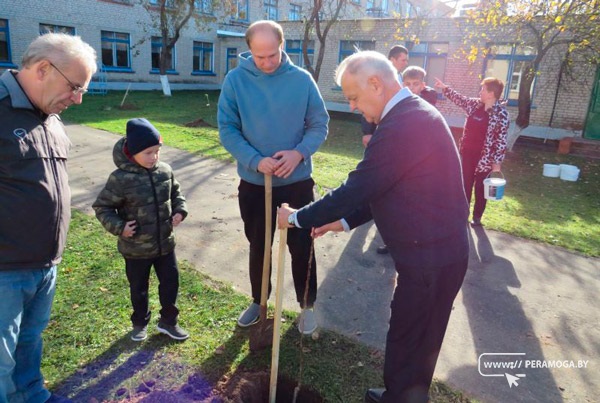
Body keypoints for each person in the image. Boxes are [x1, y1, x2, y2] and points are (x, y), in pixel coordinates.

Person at [277, 51, 469, 403]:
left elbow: (359, 186)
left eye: (353, 97)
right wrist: (345, 222)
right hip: (437, 254)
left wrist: (295, 218)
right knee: (417, 340)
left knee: (409, 340)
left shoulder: (405, 124)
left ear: (376, 84)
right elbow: (386, 186)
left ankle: (401, 397)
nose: (352, 106)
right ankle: (403, 393)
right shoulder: (412, 115)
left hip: (430, 259)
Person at [0, 33, 97, 403]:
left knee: (30, 341)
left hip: (45, 263)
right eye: (75, 87)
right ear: (43, 69)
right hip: (5, 268)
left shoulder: (51, 116)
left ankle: (33, 395)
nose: (78, 98)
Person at [217, 20, 329, 335]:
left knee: (302, 246)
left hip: (297, 183)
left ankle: (307, 307)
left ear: (282, 46)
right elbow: (227, 128)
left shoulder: (302, 80)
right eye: (259, 56)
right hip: (255, 184)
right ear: (249, 50)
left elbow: (319, 124)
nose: (266, 63)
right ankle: (258, 301)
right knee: (259, 245)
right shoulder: (236, 81)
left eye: (272, 55)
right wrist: (254, 160)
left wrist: (299, 153)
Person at [93, 118, 189, 342]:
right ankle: (139, 323)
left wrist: (180, 210)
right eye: (148, 152)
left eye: (157, 151)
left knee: (170, 282)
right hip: (135, 249)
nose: (154, 157)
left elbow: (176, 194)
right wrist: (120, 227)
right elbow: (102, 207)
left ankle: (168, 321)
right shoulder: (120, 179)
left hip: (165, 244)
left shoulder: (165, 171)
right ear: (132, 152)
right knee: (138, 287)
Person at [434, 77, 509, 226]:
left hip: (485, 158)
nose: (480, 91)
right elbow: (459, 99)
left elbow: (501, 140)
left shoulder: (501, 114)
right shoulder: (474, 104)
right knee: (465, 185)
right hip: (467, 153)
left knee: (481, 188)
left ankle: (477, 217)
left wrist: (497, 162)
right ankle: (463, 214)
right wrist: (444, 88)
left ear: (491, 93)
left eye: (483, 89)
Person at [360, 45, 409, 254]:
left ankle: (393, 236)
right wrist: (367, 131)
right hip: (378, 135)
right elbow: (366, 107)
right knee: (375, 179)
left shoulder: (399, 86)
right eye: (402, 59)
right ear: (392, 60)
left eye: (406, 60)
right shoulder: (379, 79)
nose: (405, 63)